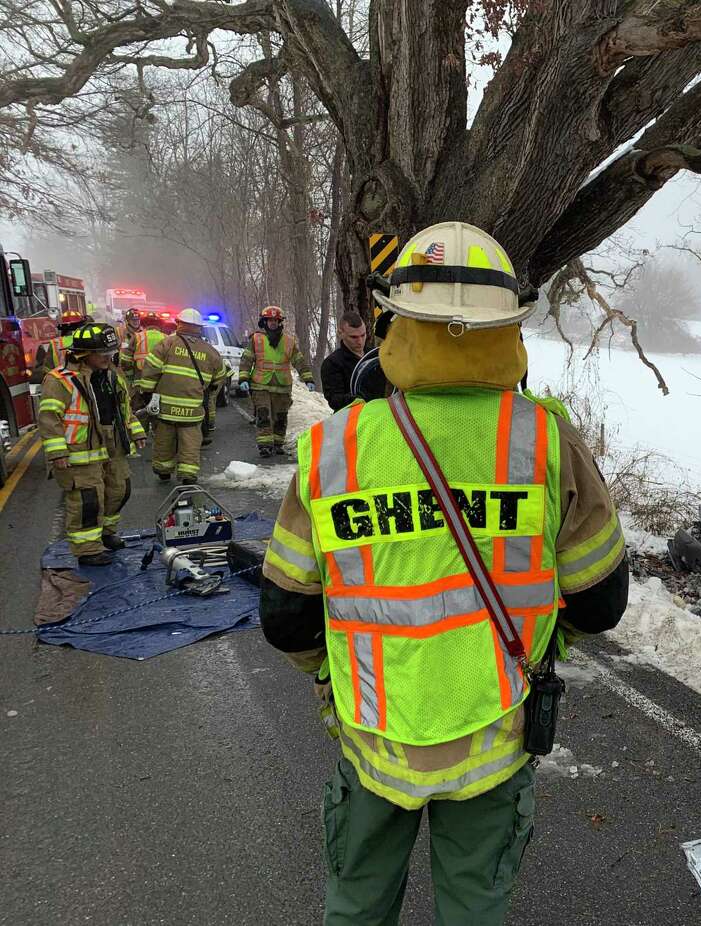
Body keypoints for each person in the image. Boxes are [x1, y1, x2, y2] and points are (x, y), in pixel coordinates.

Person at [259, 221, 629, 926]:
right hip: (494, 734)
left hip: (371, 734)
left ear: (394, 322)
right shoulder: (549, 441)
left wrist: (332, 673)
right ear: (509, 333)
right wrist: (542, 647)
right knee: (475, 909)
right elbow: (600, 598)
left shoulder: (333, 447)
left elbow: (284, 614)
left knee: (358, 907)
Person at [38, 323, 146, 566]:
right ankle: (87, 549)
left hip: (112, 444)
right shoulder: (59, 381)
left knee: (120, 489)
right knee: (88, 500)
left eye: (111, 352)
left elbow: (124, 409)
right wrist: (57, 453)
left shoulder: (112, 376)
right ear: (85, 354)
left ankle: (105, 534)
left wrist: (136, 432)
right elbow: (48, 418)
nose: (109, 357)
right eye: (103, 353)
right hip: (79, 451)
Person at [135, 307, 225, 483]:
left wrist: (147, 395)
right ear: (200, 327)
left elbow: (150, 370)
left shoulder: (166, 344)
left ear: (178, 324)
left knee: (164, 439)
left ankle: (164, 470)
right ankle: (188, 474)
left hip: (166, 408)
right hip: (192, 410)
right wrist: (207, 390)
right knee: (190, 442)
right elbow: (220, 376)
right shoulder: (210, 351)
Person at [238, 305, 314, 457]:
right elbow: (247, 360)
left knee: (280, 417)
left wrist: (308, 378)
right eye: (269, 320)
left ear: (280, 322)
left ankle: (278, 444)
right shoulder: (256, 339)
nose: (272, 323)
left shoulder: (289, 341)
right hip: (260, 385)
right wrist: (243, 378)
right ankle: (265, 446)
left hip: (282, 387)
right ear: (264, 321)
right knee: (263, 415)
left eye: (275, 320)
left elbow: (299, 361)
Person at [319, 312, 369, 411]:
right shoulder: (332, 363)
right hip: (352, 419)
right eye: (353, 337)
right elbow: (335, 401)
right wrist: (361, 397)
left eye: (363, 335)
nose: (360, 341)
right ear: (340, 333)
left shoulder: (374, 355)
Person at [118, 309, 165, 383]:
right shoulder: (121, 331)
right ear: (127, 321)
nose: (136, 322)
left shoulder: (139, 335)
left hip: (140, 377)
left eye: (137, 320)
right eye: (133, 320)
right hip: (155, 378)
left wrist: (130, 378)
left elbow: (126, 360)